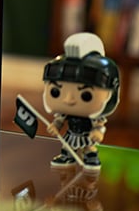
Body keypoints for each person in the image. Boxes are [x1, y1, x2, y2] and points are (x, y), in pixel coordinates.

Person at [42, 32, 119, 170]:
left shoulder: (95, 115)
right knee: (68, 146)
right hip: (72, 133)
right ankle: (67, 156)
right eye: (56, 92)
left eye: (86, 95)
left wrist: (98, 132)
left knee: (89, 146)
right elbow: (59, 120)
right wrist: (56, 126)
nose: (68, 100)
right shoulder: (65, 113)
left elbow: (99, 123)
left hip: (86, 133)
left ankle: (91, 157)